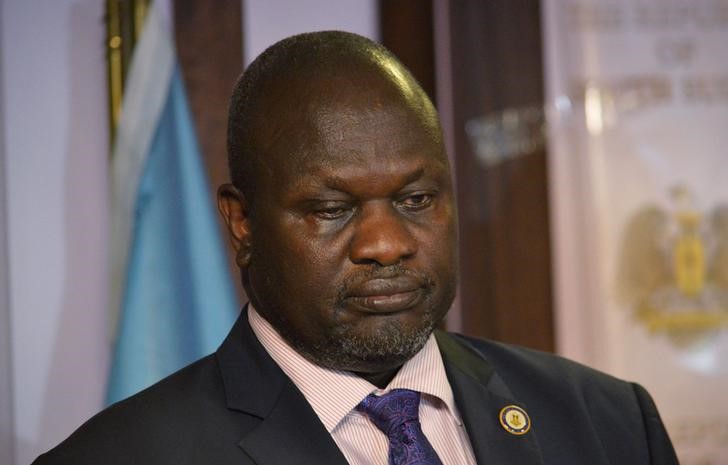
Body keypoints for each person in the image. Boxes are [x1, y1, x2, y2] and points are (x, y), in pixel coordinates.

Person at [33, 31, 678, 465]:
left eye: (416, 200)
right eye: (332, 210)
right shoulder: (123, 455)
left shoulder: (611, 425)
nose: (386, 244)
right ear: (242, 223)